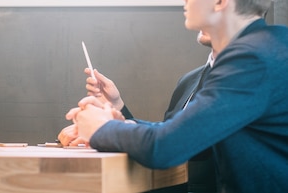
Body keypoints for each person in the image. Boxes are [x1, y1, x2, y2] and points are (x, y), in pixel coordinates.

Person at [65, 0, 288, 192]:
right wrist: (123, 124)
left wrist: (101, 128)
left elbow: (167, 149)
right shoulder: (265, 48)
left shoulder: (251, 61)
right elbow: (193, 136)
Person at [58, 31, 217, 193]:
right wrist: (117, 108)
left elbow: (170, 145)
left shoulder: (235, 80)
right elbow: (166, 134)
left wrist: (105, 129)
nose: (185, 3)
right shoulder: (189, 80)